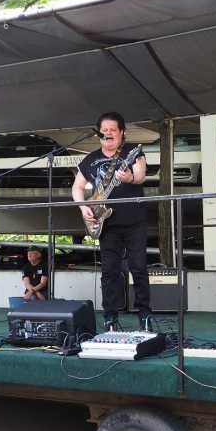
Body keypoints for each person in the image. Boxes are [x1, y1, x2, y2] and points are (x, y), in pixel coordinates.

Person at [72, 112, 151, 331]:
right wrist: (83, 206)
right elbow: (77, 187)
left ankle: (144, 314)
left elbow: (141, 175)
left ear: (122, 132)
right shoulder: (91, 159)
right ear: (99, 133)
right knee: (109, 271)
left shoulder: (132, 152)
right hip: (105, 224)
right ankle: (110, 317)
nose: (108, 133)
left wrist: (130, 178)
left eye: (112, 130)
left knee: (138, 267)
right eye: (104, 130)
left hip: (134, 220)